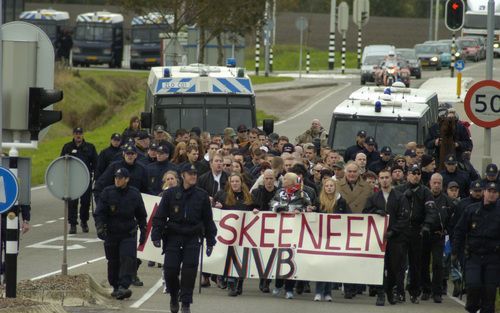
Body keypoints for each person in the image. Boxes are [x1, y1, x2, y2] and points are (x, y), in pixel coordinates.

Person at [151, 163, 217, 313]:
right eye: (190, 174)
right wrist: (156, 234)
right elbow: (160, 217)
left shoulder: (202, 196)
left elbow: (208, 220)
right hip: (173, 236)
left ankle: (186, 303)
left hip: (193, 237)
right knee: (170, 271)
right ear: (183, 175)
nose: (193, 176)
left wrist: (211, 240)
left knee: (189, 272)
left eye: (195, 174)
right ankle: (174, 296)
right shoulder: (170, 194)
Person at [94, 168, 147, 300]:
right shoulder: (107, 192)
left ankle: (124, 285)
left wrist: (143, 232)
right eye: (116, 177)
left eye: (121, 178)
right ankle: (116, 287)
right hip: (112, 233)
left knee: (128, 258)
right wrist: (100, 227)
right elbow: (100, 212)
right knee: (113, 261)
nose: (118, 180)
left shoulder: (134, 194)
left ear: (127, 179)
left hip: (128, 233)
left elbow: (141, 215)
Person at [363, 169, 410, 306]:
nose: (384, 180)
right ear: (378, 179)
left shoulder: (400, 197)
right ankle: (381, 293)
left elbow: (404, 218)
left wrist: (393, 231)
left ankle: (390, 290)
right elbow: (366, 213)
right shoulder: (373, 198)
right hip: (378, 238)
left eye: (386, 177)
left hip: (395, 238)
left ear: (391, 179)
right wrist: (375, 212)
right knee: (379, 266)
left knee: (394, 267)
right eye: (382, 177)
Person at [452, 182, 500, 313]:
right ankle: (472, 308)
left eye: (494, 192)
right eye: (489, 191)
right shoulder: (472, 210)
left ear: (498, 194)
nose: (491, 194)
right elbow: (459, 231)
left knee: (489, 291)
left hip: (493, 258)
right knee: (473, 287)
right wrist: (455, 252)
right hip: (474, 256)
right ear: (484, 192)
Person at [395, 164, 435, 304]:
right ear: (408, 175)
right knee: (400, 263)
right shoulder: (399, 190)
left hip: (417, 230)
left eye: (418, 173)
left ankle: (414, 292)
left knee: (416, 264)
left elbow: (431, 211)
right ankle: (399, 291)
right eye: (413, 173)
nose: (416, 176)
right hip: (401, 230)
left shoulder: (425, 192)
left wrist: (427, 225)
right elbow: (393, 209)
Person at [271, 172, 312, 299]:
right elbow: (272, 203)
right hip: (281, 231)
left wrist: (301, 210)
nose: (284, 180)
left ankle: (289, 288)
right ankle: (278, 285)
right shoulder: (280, 192)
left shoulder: (302, 194)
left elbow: (309, 207)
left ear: (294, 181)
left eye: (287, 179)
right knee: (280, 258)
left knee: (292, 259)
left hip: (296, 231)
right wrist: (279, 208)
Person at [213, 173, 253, 296]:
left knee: (241, 259)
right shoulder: (223, 196)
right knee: (230, 259)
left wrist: (255, 211)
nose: (235, 183)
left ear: (241, 182)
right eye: (232, 181)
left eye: (237, 181)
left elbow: (254, 210)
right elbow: (216, 211)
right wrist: (218, 207)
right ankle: (230, 283)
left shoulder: (248, 197)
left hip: (243, 234)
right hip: (228, 235)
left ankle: (239, 283)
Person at [314, 178, 351, 302]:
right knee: (321, 266)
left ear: (335, 187)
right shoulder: (319, 200)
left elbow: (349, 217)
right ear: (324, 187)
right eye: (327, 186)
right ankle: (318, 292)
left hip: (335, 238)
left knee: (330, 266)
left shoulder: (341, 201)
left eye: (331, 186)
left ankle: (328, 293)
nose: (329, 188)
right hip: (320, 237)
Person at [421, 173, 454, 303]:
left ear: (442, 184)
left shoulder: (447, 200)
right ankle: (426, 289)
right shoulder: (423, 197)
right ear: (429, 183)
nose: (436, 185)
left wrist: (446, 230)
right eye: (434, 182)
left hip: (438, 236)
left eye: (439, 183)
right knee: (423, 263)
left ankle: (437, 292)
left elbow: (452, 219)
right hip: (424, 235)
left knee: (437, 264)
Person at [60, 127, 98, 234]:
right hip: (72, 180)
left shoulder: (90, 147)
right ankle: (72, 224)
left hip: (85, 179)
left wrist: (96, 178)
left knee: (85, 202)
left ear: (83, 134)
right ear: (73, 134)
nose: (78, 135)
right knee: (72, 203)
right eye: (76, 133)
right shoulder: (67, 147)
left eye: (80, 133)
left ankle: (84, 221)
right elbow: (61, 162)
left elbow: (96, 163)